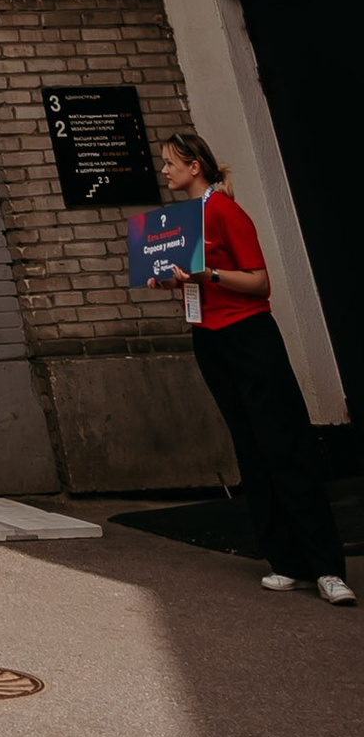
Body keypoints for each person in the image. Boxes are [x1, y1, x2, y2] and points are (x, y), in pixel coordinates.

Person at [150, 129, 352, 604]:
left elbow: (259, 282)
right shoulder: (184, 219)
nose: (164, 170)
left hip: (249, 337)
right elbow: (197, 282)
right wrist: (173, 283)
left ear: (194, 165)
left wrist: (210, 275)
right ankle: (287, 562)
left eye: (169, 162)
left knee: (286, 447)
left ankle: (327, 568)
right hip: (210, 339)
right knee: (252, 450)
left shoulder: (224, 210)